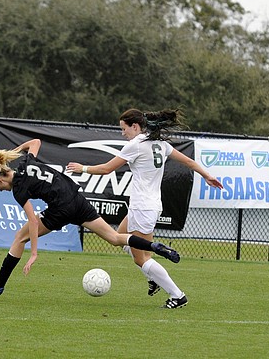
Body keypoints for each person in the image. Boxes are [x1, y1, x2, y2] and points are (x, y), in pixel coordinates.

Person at [0, 138, 181, 299]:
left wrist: (34, 254)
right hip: (77, 200)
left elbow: (31, 222)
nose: (0, 190)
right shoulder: (28, 161)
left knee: (20, 237)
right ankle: (153, 247)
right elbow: (35, 142)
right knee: (114, 237)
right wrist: (10, 155)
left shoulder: (19, 190)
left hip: (59, 210)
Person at [66, 108, 224, 309]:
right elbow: (189, 161)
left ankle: (177, 295)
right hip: (145, 206)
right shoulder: (160, 144)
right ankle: (153, 277)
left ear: (135, 126)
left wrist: (83, 168)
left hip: (143, 208)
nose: (123, 133)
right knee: (119, 238)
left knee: (142, 259)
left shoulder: (136, 145)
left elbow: (107, 169)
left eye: (124, 129)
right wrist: (207, 175)